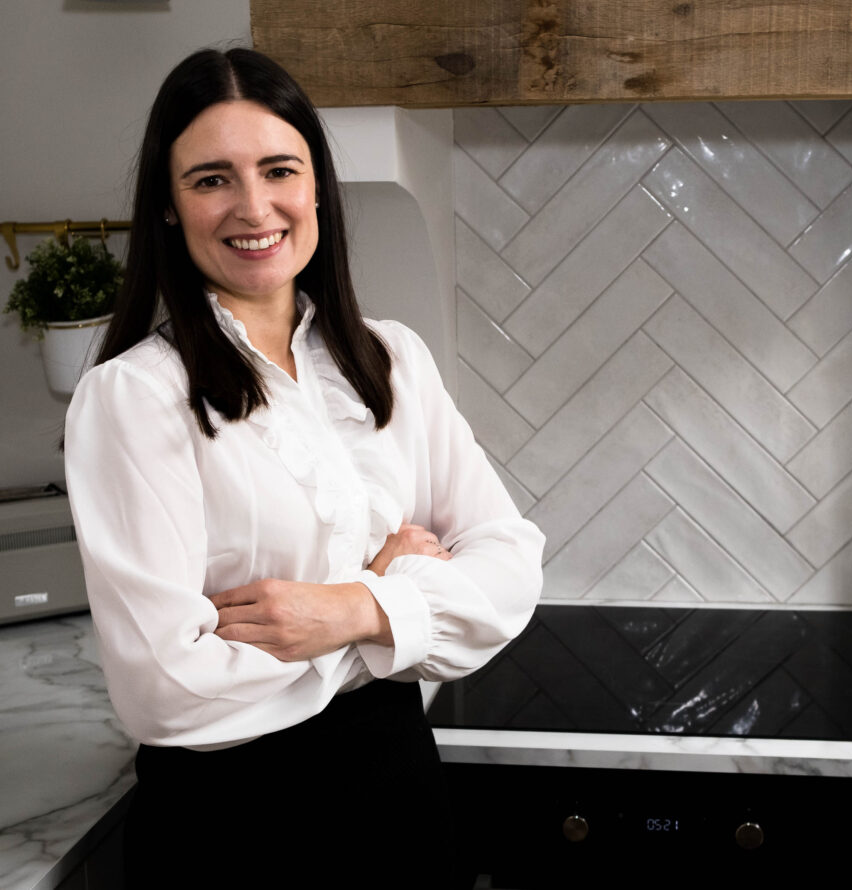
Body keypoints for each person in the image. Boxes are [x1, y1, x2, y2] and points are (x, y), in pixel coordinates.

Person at [63, 46, 544, 887]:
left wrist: (350, 608)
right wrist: (390, 613)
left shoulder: (393, 360)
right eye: (210, 179)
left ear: (316, 185)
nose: (253, 207)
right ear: (169, 208)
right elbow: (164, 685)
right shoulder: (132, 398)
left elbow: (510, 570)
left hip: (400, 799)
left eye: (279, 170)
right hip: (231, 832)